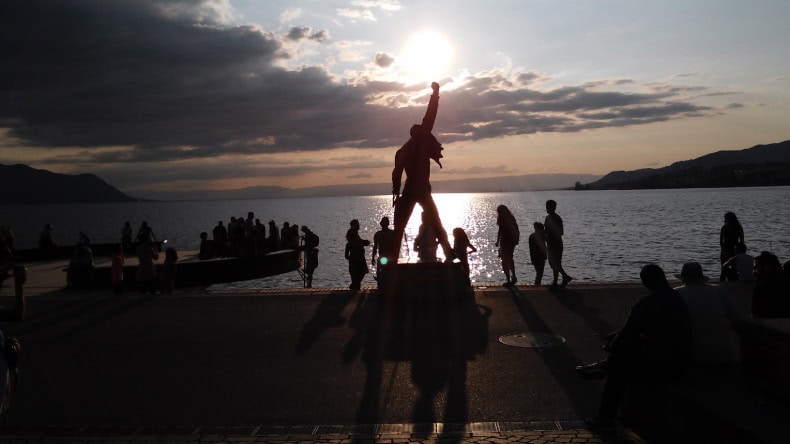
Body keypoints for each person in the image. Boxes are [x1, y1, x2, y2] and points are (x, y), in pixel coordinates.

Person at [575, 264, 693, 432]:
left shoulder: (646, 304)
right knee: (627, 350)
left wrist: (612, 344)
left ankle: (605, 416)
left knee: (619, 363)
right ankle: (602, 367)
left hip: (662, 365)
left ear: (645, 283)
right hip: (682, 360)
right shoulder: (677, 299)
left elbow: (628, 334)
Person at [388, 81, 454, 262]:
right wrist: (435, 94)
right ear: (418, 133)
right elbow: (430, 116)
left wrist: (396, 191)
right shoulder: (419, 142)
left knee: (400, 226)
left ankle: (393, 257)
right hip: (422, 189)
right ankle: (448, 252)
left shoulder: (402, 151)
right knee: (436, 222)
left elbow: (396, 173)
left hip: (409, 189)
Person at [674, 262, 744, 365]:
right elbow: (738, 320)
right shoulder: (719, 290)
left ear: (683, 279)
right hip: (721, 355)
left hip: (690, 357)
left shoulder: (676, 294)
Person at [751, 251, 790, 318]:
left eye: (756, 268)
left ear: (767, 267)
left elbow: (754, 315)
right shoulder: (786, 282)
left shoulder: (761, 287)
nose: (753, 272)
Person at [544, 199, 573, 290]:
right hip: (552, 243)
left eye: (547, 207)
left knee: (555, 262)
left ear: (552, 208)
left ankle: (560, 279)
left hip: (555, 243)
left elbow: (560, 232)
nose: (546, 208)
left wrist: (548, 235)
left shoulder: (555, 218)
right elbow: (546, 231)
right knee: (554, 262)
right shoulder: (549, 218)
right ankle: (560, 279)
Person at [495, 205, 519, 286]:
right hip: (507, 241)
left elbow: (514, 229)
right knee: (508, 259)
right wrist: (498, 241)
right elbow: (500, 230)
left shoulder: (508, 218)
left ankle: (511, 278)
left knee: (506, 260)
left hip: (508, 241)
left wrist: (498, 241)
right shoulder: (508, 218)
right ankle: (511, 278)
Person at [344, 219, 370, 291]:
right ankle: (354, 287)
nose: (359, 225)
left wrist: (364, 242)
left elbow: (360, 242)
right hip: (357, 261)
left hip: (358, 261)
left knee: (357, 279)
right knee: (357, 279)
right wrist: (352, 259)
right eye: (358, 224)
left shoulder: (355, 236)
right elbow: (357, 243)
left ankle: (354, 287)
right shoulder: (353, 234)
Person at [719, 212, 744, 281]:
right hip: (726, 249)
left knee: (732, 269)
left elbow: (742, 241)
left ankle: (730, 281)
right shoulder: (724, 228)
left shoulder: (738, 228)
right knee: (724, 269)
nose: (725, 220)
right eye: (725, 219)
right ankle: (726, 281)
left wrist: (740, 251)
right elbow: (721, 242)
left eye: (726, 218)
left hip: (734, 250)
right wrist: (724, 250)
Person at [528, 222, 548, 286]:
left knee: (539, 273)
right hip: (539, 257)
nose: (543, 230)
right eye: (542, 229)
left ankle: (537, 284)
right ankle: (537, 285)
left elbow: (531, 249)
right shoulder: (540, 236)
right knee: (540, 273)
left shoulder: (532, 236)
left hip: (536, 257)